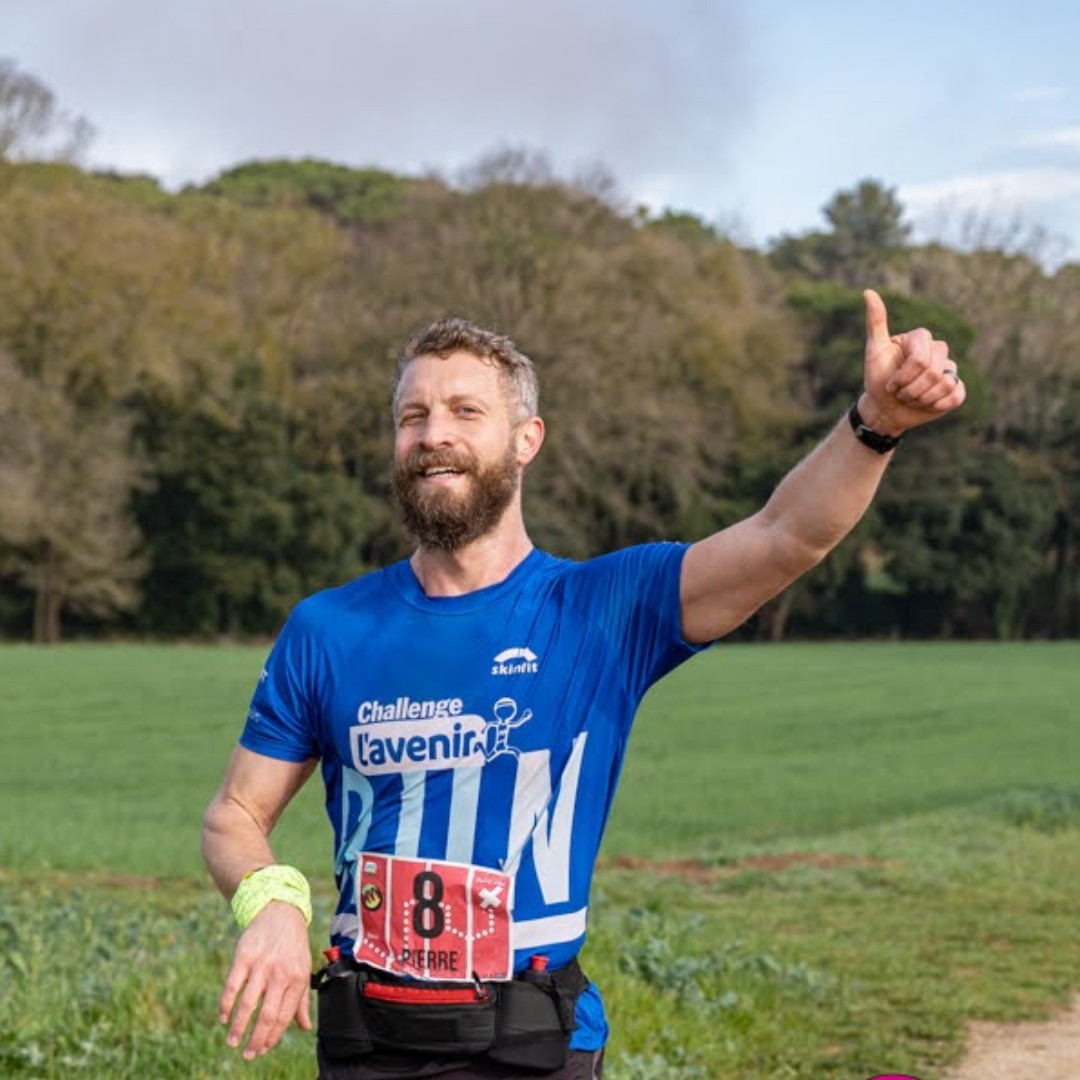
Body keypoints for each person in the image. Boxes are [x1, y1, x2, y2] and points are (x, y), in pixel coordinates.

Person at [202, 289, 964, 1078]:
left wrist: (876, 424)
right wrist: (273, 903)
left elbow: (784, 536)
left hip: (533, 1045)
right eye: (412, 417)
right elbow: (235, 813)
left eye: (466, 411)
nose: (434, 436)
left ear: (527, 439)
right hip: (368, 1043)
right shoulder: (327, 628)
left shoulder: (605, 606)